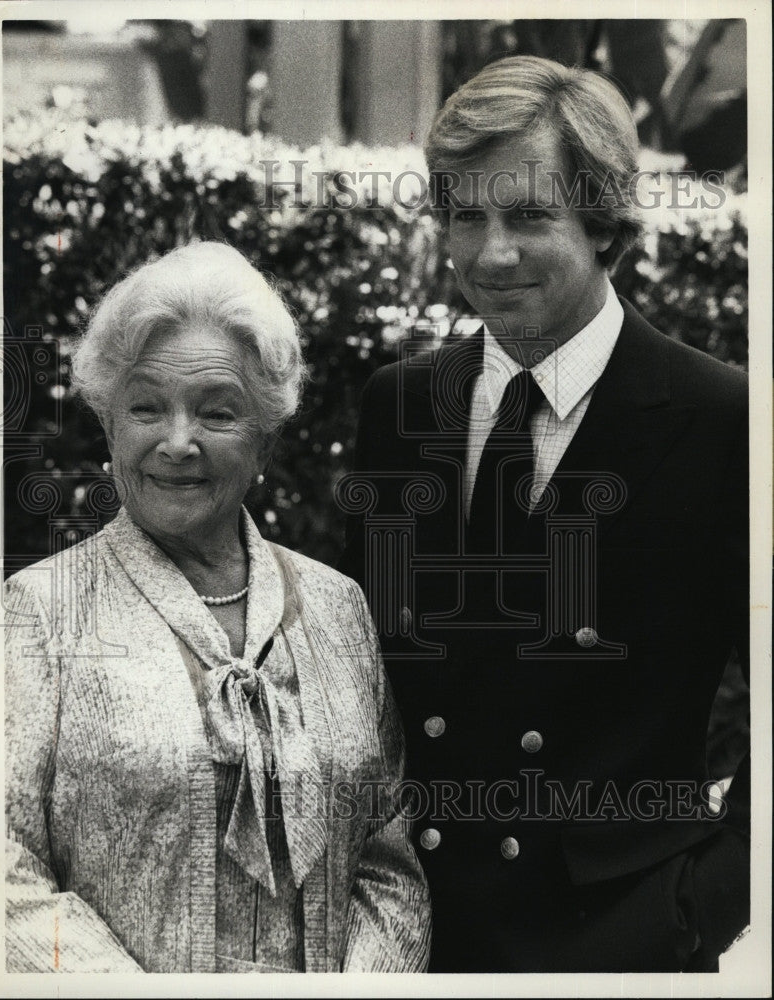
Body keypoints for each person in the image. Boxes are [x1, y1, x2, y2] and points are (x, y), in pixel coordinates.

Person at [340, 56, 749, 973]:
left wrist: (703, 900)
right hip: (412, 930)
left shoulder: (723, 421)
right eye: (465, 216)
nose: (490, 254)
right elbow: (368, 683)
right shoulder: (399, 407)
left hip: (618, 937)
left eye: (529, 215)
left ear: (604, 225)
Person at [5, 241, 431, 974]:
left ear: (265, 439)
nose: (178, 442)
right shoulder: (37, 612)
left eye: (217, 413)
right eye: (146, 407)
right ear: (109, 426)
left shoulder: (338, 609)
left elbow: (388, 861)